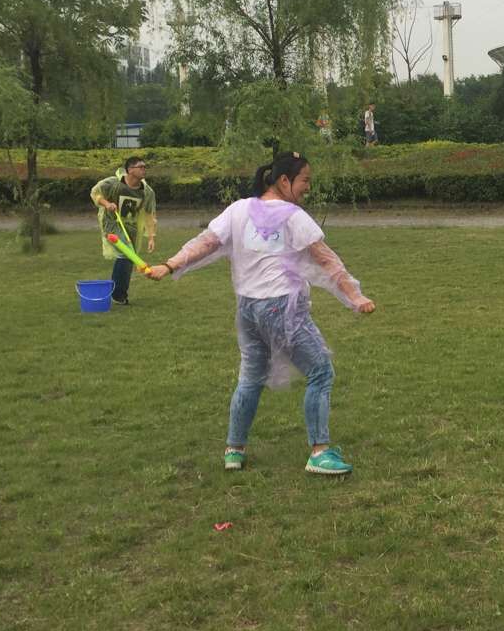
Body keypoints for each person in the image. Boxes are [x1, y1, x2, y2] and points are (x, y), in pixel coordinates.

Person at [145, 151, 376, 475]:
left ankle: (234, 450)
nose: (308, 187)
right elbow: (326, 260)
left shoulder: (239, 209)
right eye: (305, 180)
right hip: (281, 307)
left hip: (248, 309)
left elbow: (206, 243)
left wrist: (169, 265)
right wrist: (355, 296)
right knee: (321, 371)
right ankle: (319, 452)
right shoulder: (293, 216)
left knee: (251, 377)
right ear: (284, 180)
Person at [91, 156, 157, 306]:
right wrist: (107, 204)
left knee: (128, 257)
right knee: (126, 253)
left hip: (131, 227)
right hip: (112, 223)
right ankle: (117, 294)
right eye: (141, 167)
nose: (144, 169)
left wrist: (151, 237)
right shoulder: (113, 183)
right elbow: (95, 193)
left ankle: (119, 294)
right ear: (130, 170)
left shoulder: (147, 192)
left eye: (145, 167)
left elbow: (150, 215)